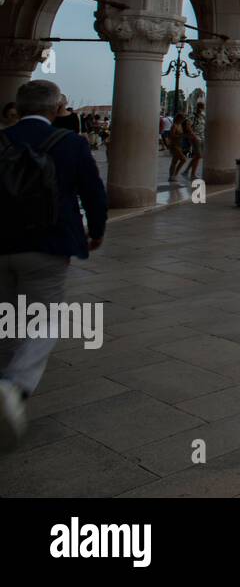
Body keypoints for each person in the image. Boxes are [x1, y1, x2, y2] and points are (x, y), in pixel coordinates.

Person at [0, 80, 108, 450]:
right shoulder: (71, 144)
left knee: (6, 311)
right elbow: (94, 193)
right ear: (55, 108)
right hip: (48, 244)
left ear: (17, 105)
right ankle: (14, 384)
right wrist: (96, 231)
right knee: (46, 316)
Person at [167, 112, 190, 182]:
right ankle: (174, 175)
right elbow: (171, 135)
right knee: (183, 159)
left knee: (174, 161)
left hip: (179, 145)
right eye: (182, 118)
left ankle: (172, 176)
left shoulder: (180, 125)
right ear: (178, 118)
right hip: (174, 145)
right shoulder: (174, 125)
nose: (183, 120)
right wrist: (181, 136)